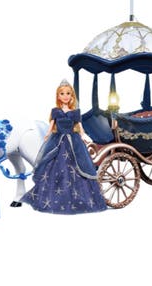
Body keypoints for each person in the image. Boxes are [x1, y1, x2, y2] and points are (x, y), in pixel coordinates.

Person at [21, 79, 107, 214]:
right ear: (58, 96)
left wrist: (84, 135)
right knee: (55, 167)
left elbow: (80, 128)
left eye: (68, 93)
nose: (65, 96)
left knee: (78, 166)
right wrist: (47, 135)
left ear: (72, 96)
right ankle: (55, 198)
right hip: (58, 141)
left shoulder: (75, 112)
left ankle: (80, 198)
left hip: (74, 141)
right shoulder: (56, 111)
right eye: (62, 94)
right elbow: (51, 126)